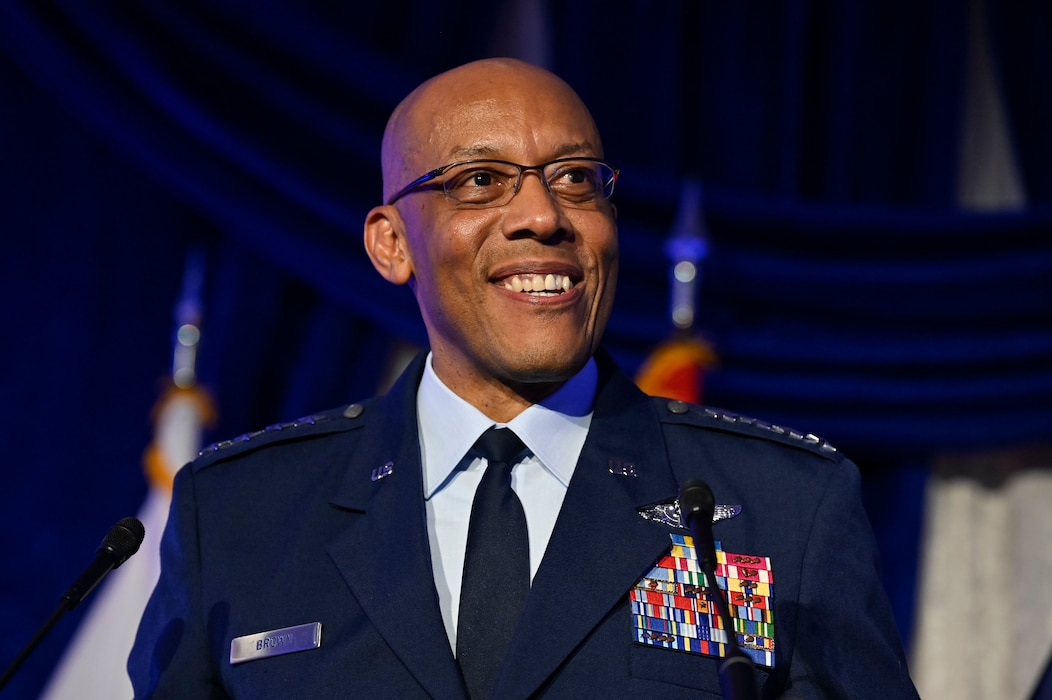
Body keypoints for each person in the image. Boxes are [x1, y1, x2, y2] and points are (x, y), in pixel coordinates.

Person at [129, 57, 919, 699]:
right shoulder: (237, 513)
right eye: (480, 181)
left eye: (576, 178)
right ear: (391, 245)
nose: (543, 214)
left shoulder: (784, 506)